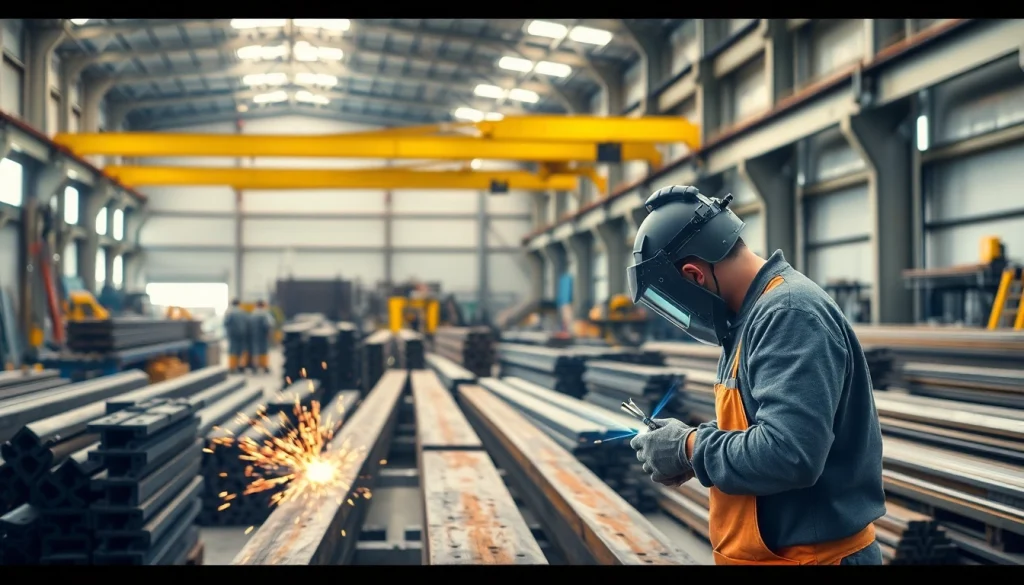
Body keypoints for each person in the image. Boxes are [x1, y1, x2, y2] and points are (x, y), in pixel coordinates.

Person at [626, 185, 885, 566]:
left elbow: (789, 453)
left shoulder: (789, 314)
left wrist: (690, 448)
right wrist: (686, 448)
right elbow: (761, 422)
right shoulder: (749, 317)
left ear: (694, 275)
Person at [223, 299, 249, 374]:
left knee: (233, 350)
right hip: (243, 334)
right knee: (242, 350)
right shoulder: (243, 312)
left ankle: (232, 367)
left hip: (233, 335)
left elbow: (226, 323)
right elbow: (247, 323)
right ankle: (242, 366)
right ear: (239, 304)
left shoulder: (230, 313)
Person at [249, 300, 274, 374]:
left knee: (255, 350)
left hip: (253, 335)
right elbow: (269, 324)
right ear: (263, 305)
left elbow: (249, 325)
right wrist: (269, 334)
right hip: (263, 335)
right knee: (264, 350)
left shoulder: (253, 314)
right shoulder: (265, 314)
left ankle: (255, 366)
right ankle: (264, 366)